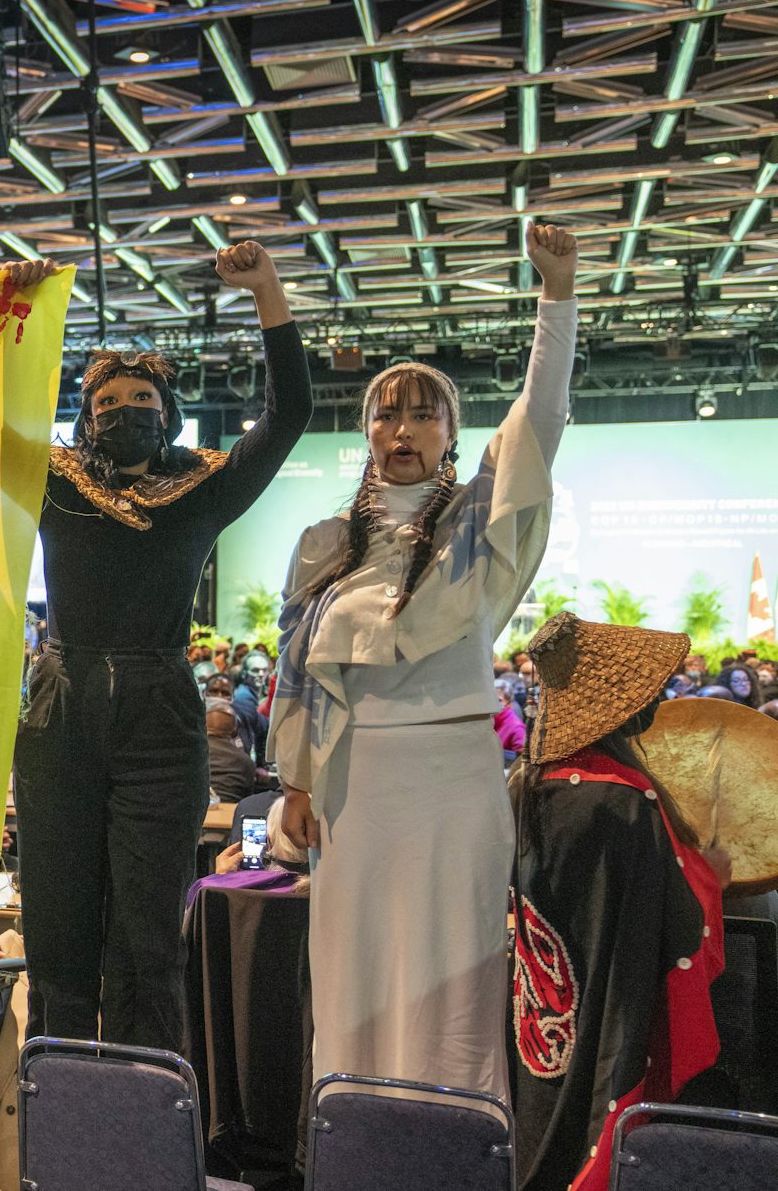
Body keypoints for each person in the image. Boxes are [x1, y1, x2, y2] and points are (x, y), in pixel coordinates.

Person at [272, 222, 579, 1103]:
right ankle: (355, 1137)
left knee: (456, 984)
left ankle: (455, 1145)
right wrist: (296, 782)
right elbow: (300, 680)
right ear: (365, 429)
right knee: (354, 982)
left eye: (422, 412)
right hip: (353, 789)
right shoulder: (323, 544)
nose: (401, 428)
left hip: (453, 782)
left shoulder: (480, 522)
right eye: (385, 412)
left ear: (451, 431)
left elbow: (541, 419)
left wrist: (556, 295)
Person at [4, 239, 312, 1050]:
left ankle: (144, 1110)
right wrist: (15, 317)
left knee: (147, 944)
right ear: (85, 416)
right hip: (58, 716)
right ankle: (59, 1102)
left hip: (161, 725)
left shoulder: (204, 489)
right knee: (58, 937)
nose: (124, 407)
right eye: (107, 400)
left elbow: (290, 416)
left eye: (142, 396)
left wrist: (267, 289)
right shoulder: (53, 480)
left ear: (168, 413)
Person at [509, 613, 727, 1191]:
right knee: (599, 1092)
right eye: (649, 692)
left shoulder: (529, 782)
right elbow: (675, 912)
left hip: (541, 997)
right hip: (611, 996)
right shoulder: (625, 801)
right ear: (619, 708)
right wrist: (713, 877)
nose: (655, 701)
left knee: (543, 1099)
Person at [205, 706, 262, 804]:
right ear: (234, 731)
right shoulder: (246, 761)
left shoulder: (193, 753)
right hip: (231, 811)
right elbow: (247, 799)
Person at [494, 678, 528, 763]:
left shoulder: (517, 727)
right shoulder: (489, 722)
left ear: (509, 702)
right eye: (490, 700)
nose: (492, 704)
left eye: (498, 700)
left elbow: (521, 761)